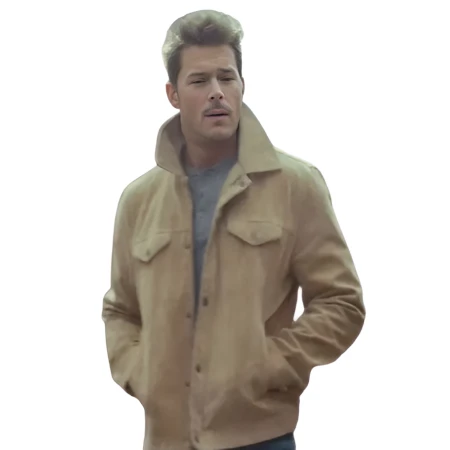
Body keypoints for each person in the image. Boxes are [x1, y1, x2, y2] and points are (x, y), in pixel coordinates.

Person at [102, 9, 365, 450]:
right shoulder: (138, 201)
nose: (217, 92)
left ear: (243, 85)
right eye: (199, 81)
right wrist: (141, 373)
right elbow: (120, 310)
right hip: (166, 439)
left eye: (227, 77)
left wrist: (271, 364)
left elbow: (341, 302)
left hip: (259, 435)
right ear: (172, 94)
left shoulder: (295, 185)